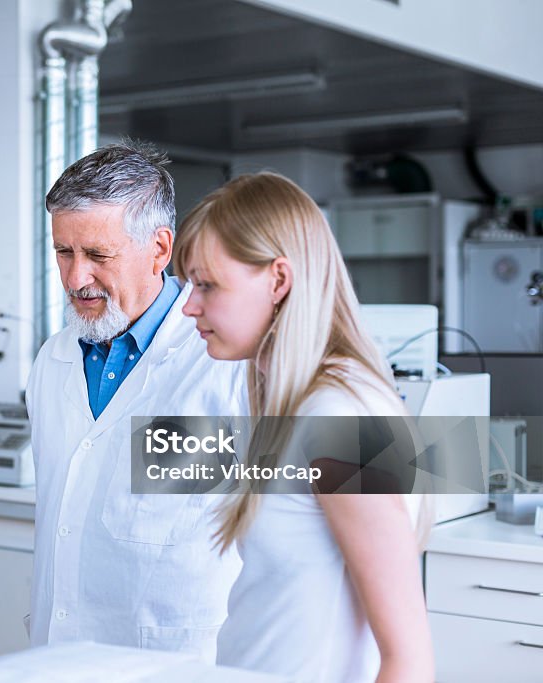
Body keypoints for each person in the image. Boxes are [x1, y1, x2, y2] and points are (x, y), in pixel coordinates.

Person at [174, 171, 434, 682]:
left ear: (278, 279)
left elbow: (408, 661)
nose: (189, 306)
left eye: (207, 284)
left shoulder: (338, 418)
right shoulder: (290, 403)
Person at [25, 141, 248, 660]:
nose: (76, 278)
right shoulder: (52, 361)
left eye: (99, 255)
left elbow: (387, 472)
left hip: (179, 661)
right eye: (63, 252)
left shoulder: (226, 361)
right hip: (59, 656)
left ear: (160, 249)